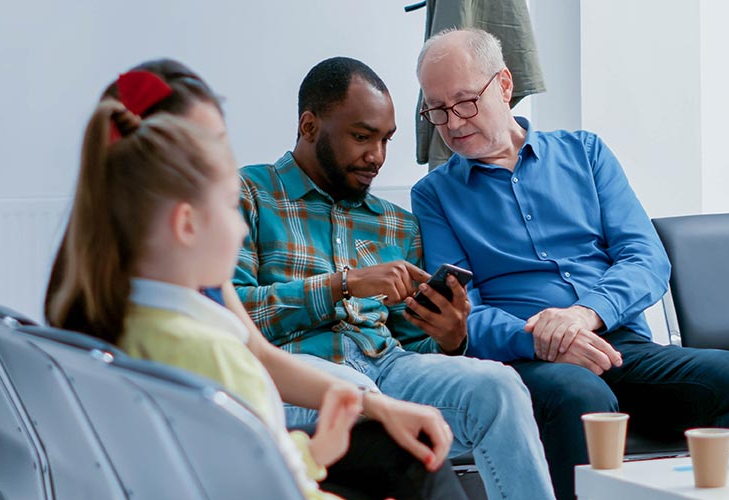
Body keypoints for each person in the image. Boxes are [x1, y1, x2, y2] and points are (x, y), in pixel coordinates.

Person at [46, 61, 469, 500]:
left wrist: (373, 404)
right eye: (212, 148)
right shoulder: (210, 352)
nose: (243, 220)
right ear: (184, 216)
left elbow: (259, 356)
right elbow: (262, 478)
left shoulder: (108, 287)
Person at [411, 28, 729, 500]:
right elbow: (462, 315)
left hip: (622, 347)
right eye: (436, 110)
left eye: (463, 102)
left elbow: (646, 259)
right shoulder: (434, 195)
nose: (452, 123)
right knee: (582, 396)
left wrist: (583, 315)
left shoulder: (586, 153)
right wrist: (542, 337)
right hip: (529, 362)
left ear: (503, 85)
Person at [234, 56, 556, 500]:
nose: (377, 157)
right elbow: (232, 316)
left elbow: (410, 339)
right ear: (309, 127)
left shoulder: (397, 224)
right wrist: (345, 284)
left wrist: (449, 336)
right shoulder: (248, 194)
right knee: (355, 391)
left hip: (391, 365)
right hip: (298, 371)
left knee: (499, 387)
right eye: (362, 137)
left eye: (386, 140)